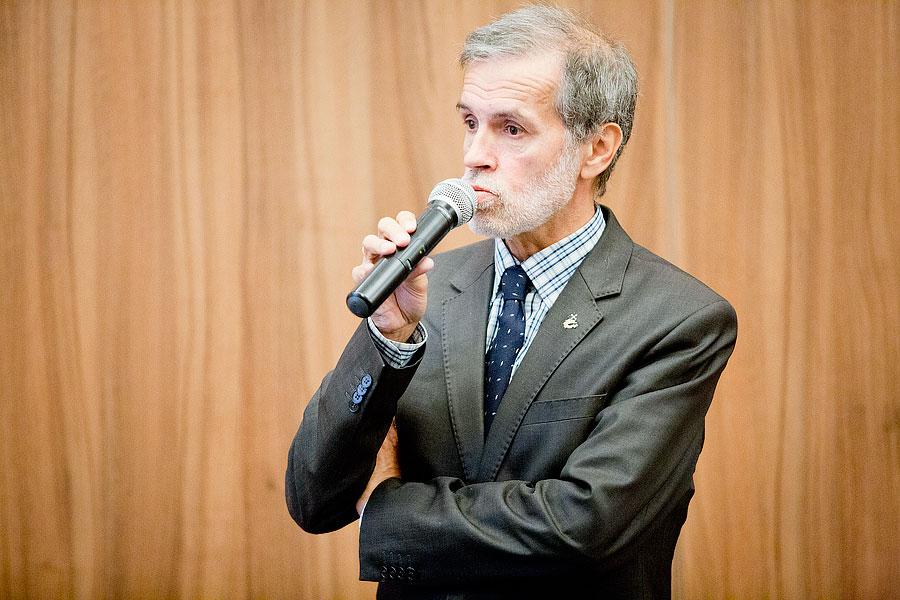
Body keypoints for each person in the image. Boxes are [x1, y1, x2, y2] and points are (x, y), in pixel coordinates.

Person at [286, 5, 737, 599]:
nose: (475, 154)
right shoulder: (425, 291)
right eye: (470, 122)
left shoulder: (678, 319)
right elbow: (313, 498)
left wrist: (387, 511)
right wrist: (385, 338)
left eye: (511, 129)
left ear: (596, 149)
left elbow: (583, 528)